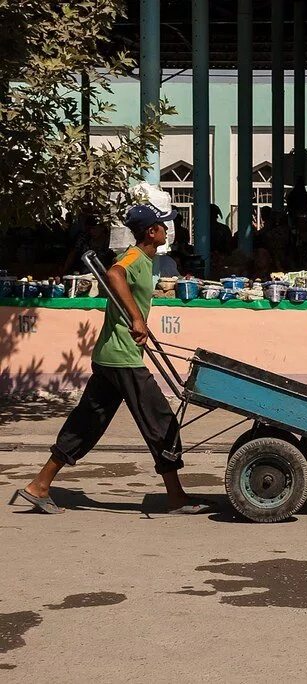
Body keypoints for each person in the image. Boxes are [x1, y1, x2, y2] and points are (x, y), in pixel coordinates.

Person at [13, 202, 213, 515]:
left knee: (87, 422)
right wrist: (136, 318)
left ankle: (39, 484)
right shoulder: (133, 257)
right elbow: (114, 274)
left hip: (112, 354)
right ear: (151, 232)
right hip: (122, 357)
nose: (168, 229)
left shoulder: (146, 259)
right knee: (161, 421)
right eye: (164, 225)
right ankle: (175, 497)